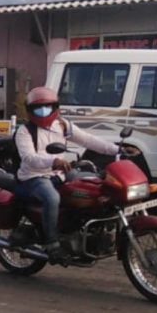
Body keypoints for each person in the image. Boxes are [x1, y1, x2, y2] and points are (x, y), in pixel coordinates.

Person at [15, 86, 119, 263]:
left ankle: (81, 228)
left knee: (93, 184)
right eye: (38, 109)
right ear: (30, 110)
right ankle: (52, 242)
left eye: (47, 107)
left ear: (55, 107)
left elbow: (88, 140)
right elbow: (29, 158)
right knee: (52, 198)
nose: (43, 112)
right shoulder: (24, 131)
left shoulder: (62, 125)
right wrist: (53, 161)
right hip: (33, 178)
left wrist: (118, 149)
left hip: (60, 174)